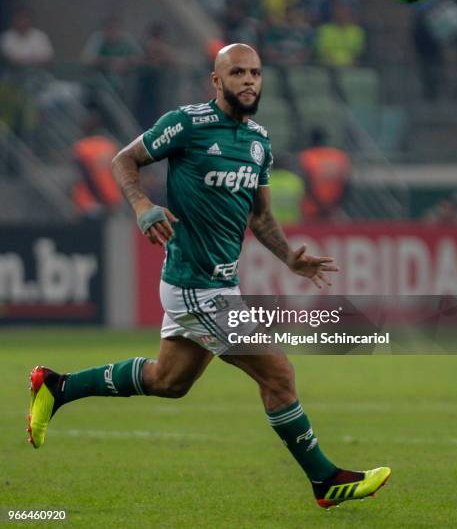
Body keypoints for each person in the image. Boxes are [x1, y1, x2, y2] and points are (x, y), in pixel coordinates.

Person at [28, 44, 390, 509]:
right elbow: (123, 160)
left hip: (221, 284)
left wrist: (289, 259)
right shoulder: (187, 124)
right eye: (237, 72)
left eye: (255, 73)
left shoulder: (259, 141)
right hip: (195, 284)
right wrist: (143, 206)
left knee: (169, 381)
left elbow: (260, 217)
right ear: (217, 81)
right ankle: (325, 479)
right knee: (278, 372)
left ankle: (56, 387)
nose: (249, 81)